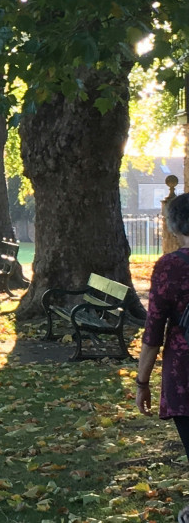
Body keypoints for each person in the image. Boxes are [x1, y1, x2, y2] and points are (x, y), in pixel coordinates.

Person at [136, 192, 189, 523]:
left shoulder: (170, 267)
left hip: (185, 373)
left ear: (175, 224)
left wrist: (142, 381)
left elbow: (153, 332)